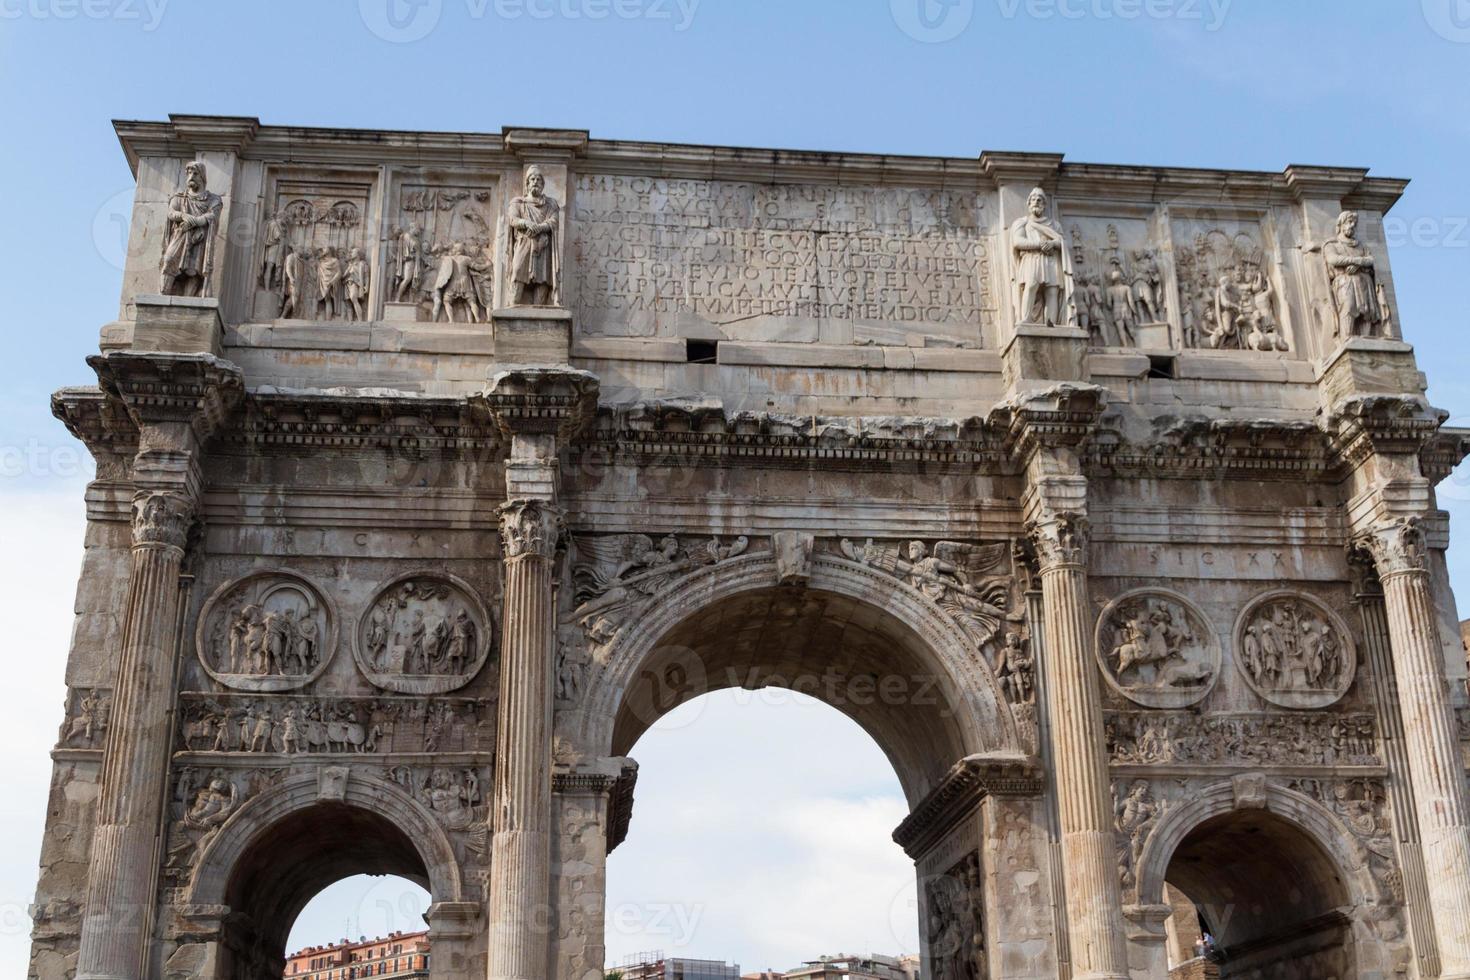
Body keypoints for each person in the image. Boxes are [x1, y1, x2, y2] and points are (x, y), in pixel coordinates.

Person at [159, 160, 223, 296]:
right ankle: (164, 294)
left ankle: (188, 299)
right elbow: (171, 212)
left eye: (195, 173)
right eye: (189, 173)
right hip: (180, 235)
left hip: (198, 239)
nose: (191, 177)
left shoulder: (213, 199)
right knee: (169, 259)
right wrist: (183, 215)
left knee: (194, 269)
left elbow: (213, 215)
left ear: (202, 177)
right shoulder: (179, 197)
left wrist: (197, 221)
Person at [1009, 187, 1068, 326]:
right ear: (1029, 203)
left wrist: (1052, 243)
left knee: (1052, 291)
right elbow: (1018, 242)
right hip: (1031, 259)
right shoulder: (1022, 222)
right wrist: (1039, 244)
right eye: (1033, 199)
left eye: (1040, 200)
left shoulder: (1054, 224)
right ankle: (1026, 319)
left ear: (1044, 204)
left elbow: (1062, 242)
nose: (1036, 202)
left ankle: (1051, 323)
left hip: (1051, 260)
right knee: (1031, 286)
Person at [1322, 210, 1386, 338]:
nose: (1352, 225)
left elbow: (1371, 260)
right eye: (1349, 222)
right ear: (1340, 225)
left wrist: (1357, 264)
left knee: (1367, 311)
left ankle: (1367, 339)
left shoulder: (1361, 246)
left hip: (1364, 282)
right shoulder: (1332, 244)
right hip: (1345, 282)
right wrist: (1357, 261)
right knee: (1348, 308)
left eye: (1354, 223)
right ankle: (1347, 338)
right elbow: (1333, 259)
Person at [507, 165, 560, 306]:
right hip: (524, 243)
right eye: (532, 179)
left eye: (538, 179)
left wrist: (540, 227)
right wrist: (526, 223)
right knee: (517, 271)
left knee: (542, 279)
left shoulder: (551, 204)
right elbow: (512, 219)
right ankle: (513, 305)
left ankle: (539, 309)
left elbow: (554, 221)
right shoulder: (518, 202)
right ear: (527, 183)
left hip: (543, 244)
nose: (535, 181)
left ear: (543, 184)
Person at [343, 246, 370, 320]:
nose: (351, 253)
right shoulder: (350, 265)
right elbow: (343, 276)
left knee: (353, 298)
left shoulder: (362, 264)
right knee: (348, 303)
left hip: (356, 283)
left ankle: (360, 320)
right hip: (348, 283)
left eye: (353, 252)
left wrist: (366, 286)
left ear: (358, 254)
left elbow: (367, 276)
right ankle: (350, 321)